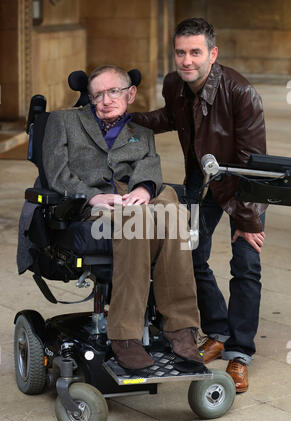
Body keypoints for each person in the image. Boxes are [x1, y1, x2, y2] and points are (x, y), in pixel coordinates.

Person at [132, 18, 267, 392]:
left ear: (213, 53)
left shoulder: (241, 93)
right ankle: (219, 331)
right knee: (192, 255)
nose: (186, 60)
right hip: (201, 182)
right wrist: (127, 119)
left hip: (243, 187)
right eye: (181, 52)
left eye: (195, 52)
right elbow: (170, 118)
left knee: (246, 265)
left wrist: (247, 220)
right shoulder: (175, 84)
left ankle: (240, 354)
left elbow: (252, 162)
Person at [42, 64, 203, 372]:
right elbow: (57, 172)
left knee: (172, 212)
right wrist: (92, 196)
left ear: (130, 94)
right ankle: (125, 334)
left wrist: (143, 188)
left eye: (113, 91)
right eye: (98, 94)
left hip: (136, 198)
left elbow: (149, 165)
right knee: (141, 218)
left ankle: (181, 327)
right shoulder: (63, 122)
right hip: (92, 206)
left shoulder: (140, 133)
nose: (106, 100)